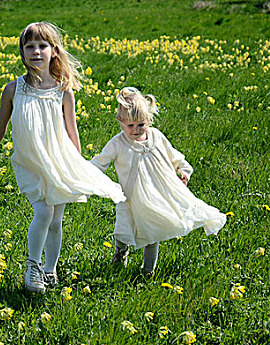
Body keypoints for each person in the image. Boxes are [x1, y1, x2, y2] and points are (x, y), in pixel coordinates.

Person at [0, 22, 126, 293]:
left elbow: (72, 132)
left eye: (42, 46)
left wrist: (77, 166)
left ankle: (50, 269)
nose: (36, 51)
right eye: (29, 46)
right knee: (43, 211)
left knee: (56, 219)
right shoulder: (14, 90)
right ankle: (32, 266)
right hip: (31, 161)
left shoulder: (63, 90)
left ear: (54, 51)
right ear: (22, 52)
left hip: (60, 162)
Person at [91, 87, 226, 277]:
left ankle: (148, 271)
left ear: (148, 119)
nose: (136, 131)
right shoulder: (117, 143)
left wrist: (183, 172)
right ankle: (120, 254)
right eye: (130, 126)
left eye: (141, 125)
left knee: (152, 233)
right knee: (122, 230)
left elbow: (175, 157)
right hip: (129, 198)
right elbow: (99, 163)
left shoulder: (156, 137)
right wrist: (86, 175)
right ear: (120, 121)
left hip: (155, 195)